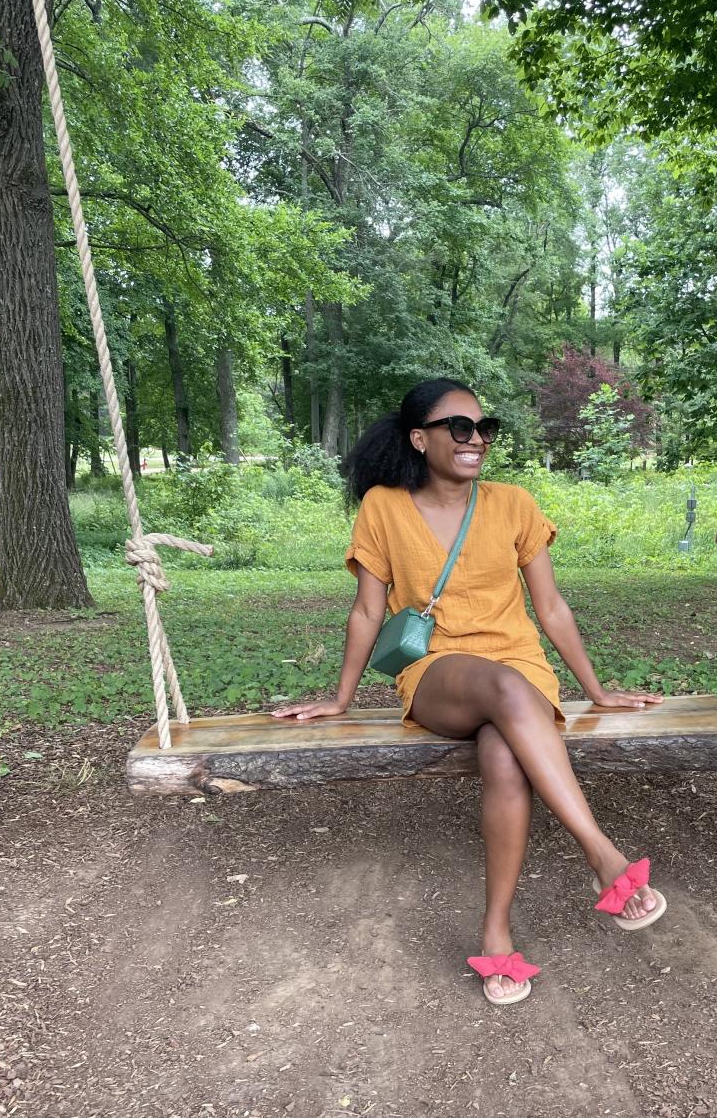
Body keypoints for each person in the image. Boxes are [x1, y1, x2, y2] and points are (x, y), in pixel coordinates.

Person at [273, 378, 666, 1005]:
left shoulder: (513, 504)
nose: (476, 439)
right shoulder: (384, 506)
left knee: (505, 754)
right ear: (419, 438)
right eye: (460, 428)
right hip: (437, 675)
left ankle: (495, 934)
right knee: (503, 689)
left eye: (485, 428)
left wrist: (596, 689)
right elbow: (367, 613)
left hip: (519, 667)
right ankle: (603, 856)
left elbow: (551, 607)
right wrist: (341, 697)